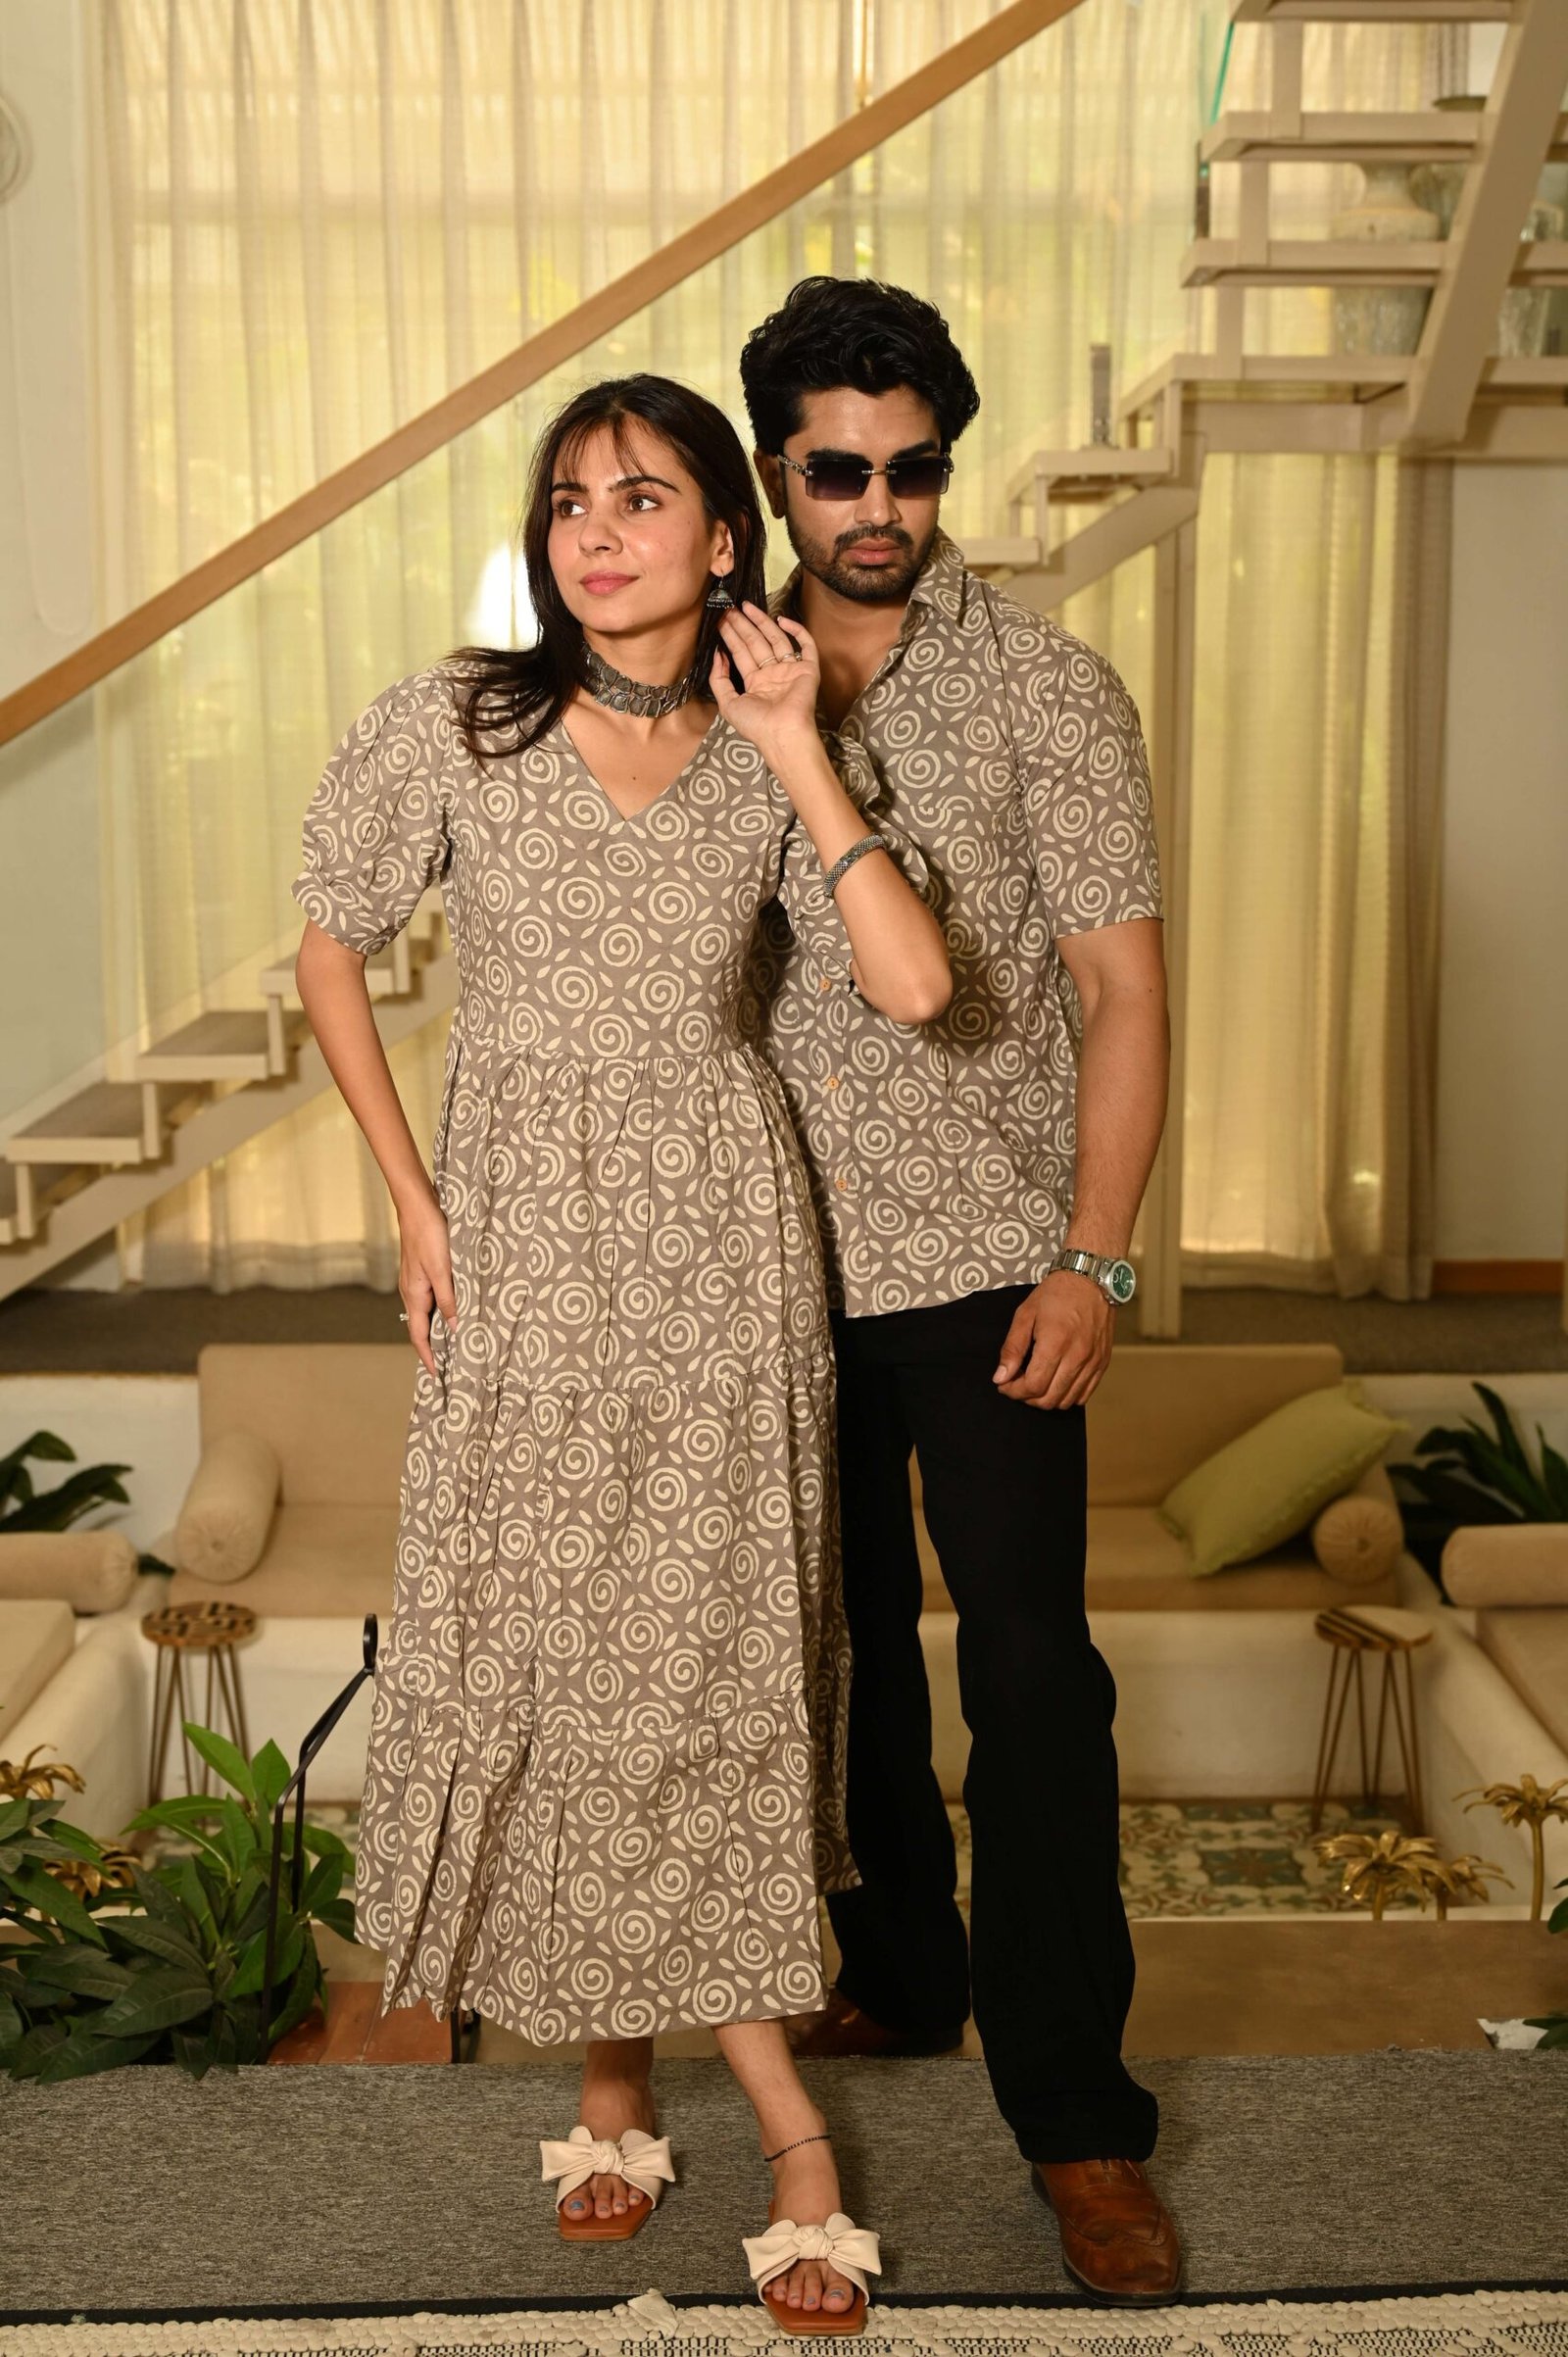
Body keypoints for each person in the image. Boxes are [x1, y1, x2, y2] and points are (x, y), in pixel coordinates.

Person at [291, 372, 951, 2332]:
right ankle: (623, 2079)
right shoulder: (454, 721)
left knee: (711, 1652)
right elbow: (325, 940)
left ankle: (714, 2113)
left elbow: (915, 984)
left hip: (720, 1254)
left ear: (725, 536)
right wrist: (413, 1201)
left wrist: (798, 746)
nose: (595, 530)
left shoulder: (775, 747)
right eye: (569, 499)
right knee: (562, 1645)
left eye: (642, 496)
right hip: (518, 1244)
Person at [736, 278, 1181, 2306]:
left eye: (912, 471)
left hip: (993, 1267)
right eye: (839, 471)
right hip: (760, 1265)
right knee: (836, 1666)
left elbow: (1121, 993)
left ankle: (1078, 2119)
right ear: (776, 475)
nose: (880, 508)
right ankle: (903, 1976)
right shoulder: (700, 690)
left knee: (1031, 1682)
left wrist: (1094, 1255)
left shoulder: (1051, 694)